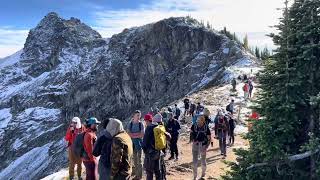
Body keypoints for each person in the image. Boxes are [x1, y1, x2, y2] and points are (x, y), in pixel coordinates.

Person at [190, 115, 211, 180]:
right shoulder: (194, 126)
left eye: (199, 120)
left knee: (203, 162)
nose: (198, 122)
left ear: (203, 121)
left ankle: (203, 174)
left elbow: (209, 138)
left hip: (203, 145)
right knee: (194, 162)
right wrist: (193, 140)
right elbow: (191, 134)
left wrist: (206, 146)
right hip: (195, 145)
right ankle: (195, 176)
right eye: (197, 120)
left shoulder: (206, 127)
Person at [127, 110, 145, 180]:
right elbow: (128, 134)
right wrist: (137, 134)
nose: (139, 117)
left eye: (139, 115)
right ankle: (136, 174)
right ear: (133, 116)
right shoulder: (130, 124)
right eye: (137, 115)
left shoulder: (141, 124)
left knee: (139, 161)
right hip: (132, 145)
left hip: (139, 145)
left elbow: (142, 134)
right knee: (134, 160)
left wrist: (133, 135)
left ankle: (139, 176)